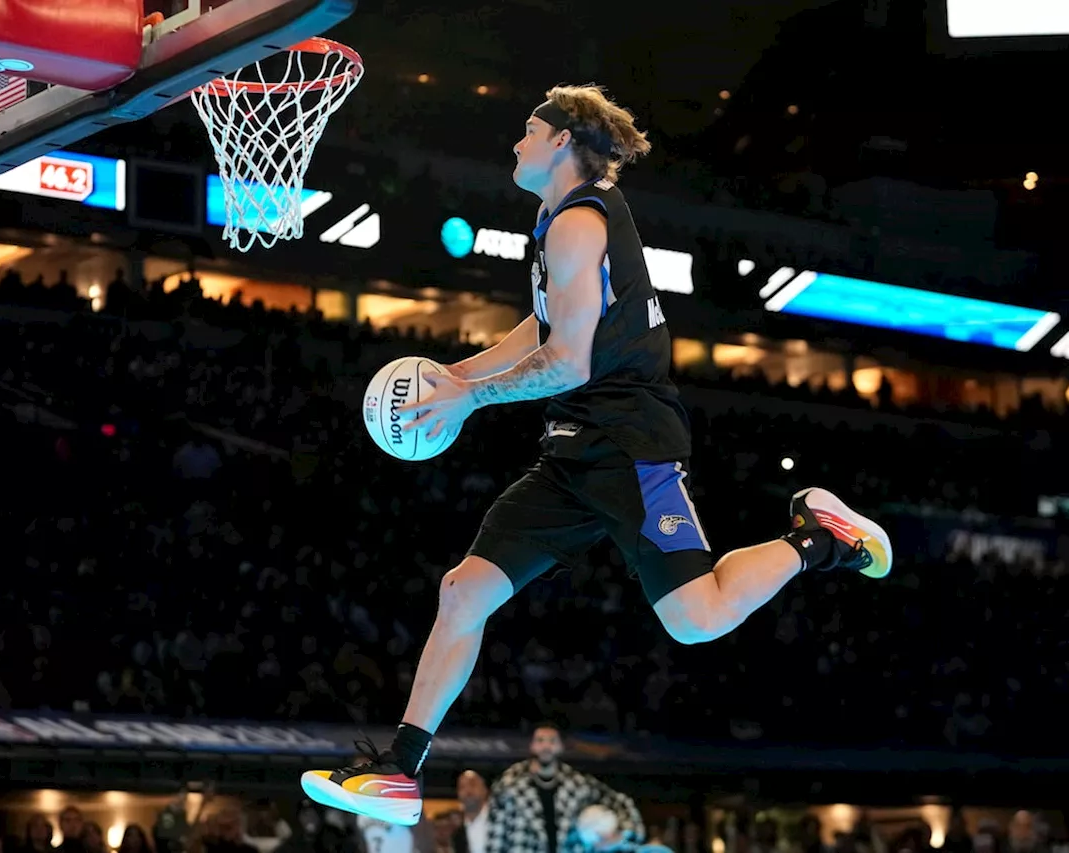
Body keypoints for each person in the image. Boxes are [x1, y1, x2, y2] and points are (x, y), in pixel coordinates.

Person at [299, 82, 893, 826]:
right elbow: (543, 326)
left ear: (562, 142)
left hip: (629, 441)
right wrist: (459, 374)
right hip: (574, 446)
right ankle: (401, 770)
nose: (516, 142)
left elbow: (571, 361)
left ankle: (817, 538)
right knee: (463, 590)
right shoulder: (558, 219)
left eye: (527, 129)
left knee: (696, 617)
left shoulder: (579, 225)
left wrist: (470, 401)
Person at [484, 725, 641, 853]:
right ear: (532, 746)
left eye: (552, 741)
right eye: (540, 740)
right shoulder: (509, 785)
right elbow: (495, 834)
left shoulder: (578, 784)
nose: (546, 746)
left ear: (560, 747)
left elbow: (620, 800)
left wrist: (624, 833)